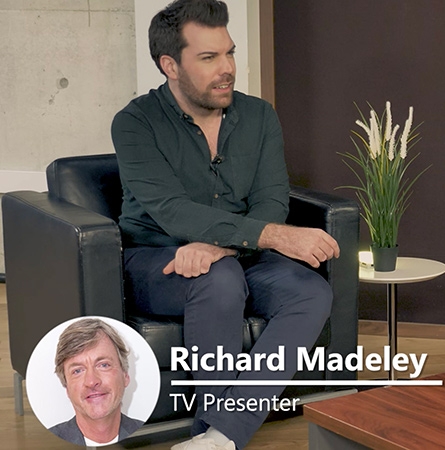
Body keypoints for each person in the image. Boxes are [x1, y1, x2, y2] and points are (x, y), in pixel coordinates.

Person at [111, 1, 340, 449]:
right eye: (209, 58)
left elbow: (272, 198)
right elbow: (172, 211)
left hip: (240, 255)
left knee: (310, 290)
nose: (227, 69)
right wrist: (269, 237)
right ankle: (210, 433)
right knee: (217, 279)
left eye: (229, 53)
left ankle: (220, 435)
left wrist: (226, 246)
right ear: (170, 65)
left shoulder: (258, 115)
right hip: (155, 259)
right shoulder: (135, 123)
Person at [50, 318, 144, 446]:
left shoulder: (150, 435)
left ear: (125, 376)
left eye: (103, 365)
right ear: (67, 388)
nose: (91, 381)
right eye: (78, 371)